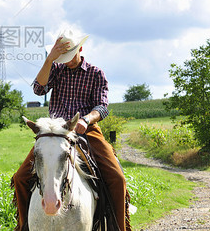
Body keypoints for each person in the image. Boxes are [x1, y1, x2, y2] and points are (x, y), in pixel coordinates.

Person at [11, 30, 130, 231]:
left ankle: (118, 228)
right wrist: (50, 59)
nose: (67, 61)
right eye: (62, 58)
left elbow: (102, 106)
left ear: (80, 49)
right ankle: (23, 226)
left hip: (86, 130)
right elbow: (38, 89)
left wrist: (86, 119)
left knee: (117, 178)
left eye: (70, 56)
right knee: (20, 177)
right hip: (54, 131)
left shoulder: (95, 73)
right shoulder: (55, 69)